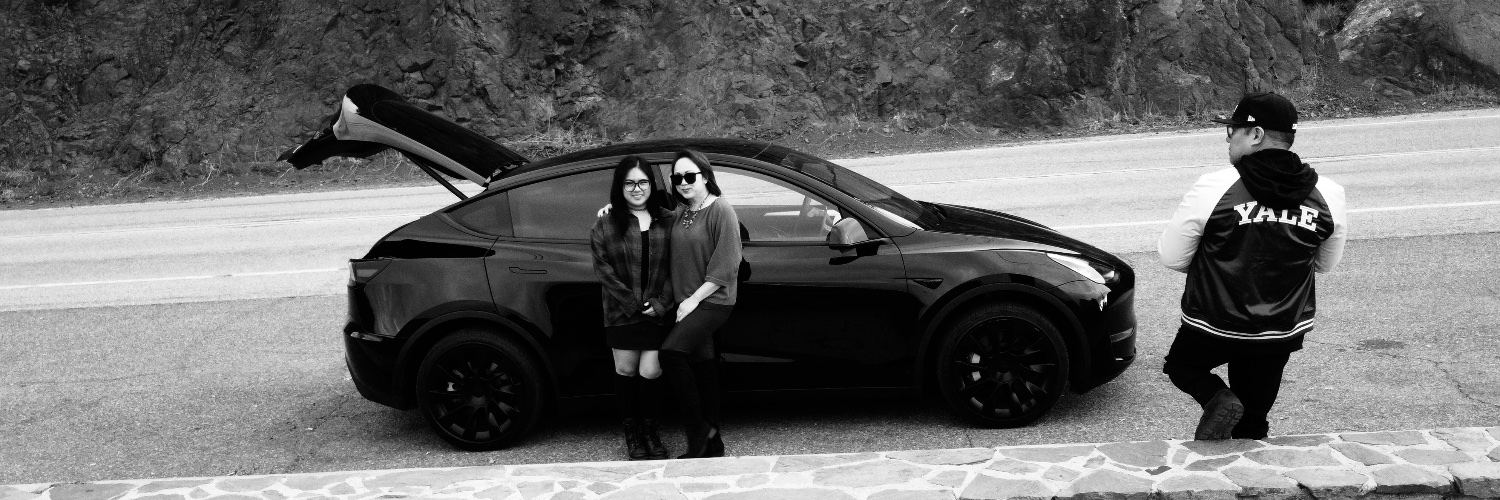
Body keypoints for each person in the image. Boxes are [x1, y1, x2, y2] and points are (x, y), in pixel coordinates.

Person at [1158, 91, 1348, 440]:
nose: (1228, 139)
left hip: (1213, 321)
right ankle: (1250, 460)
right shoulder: (1330, 193)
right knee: (1254, 417)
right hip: (1279, 328)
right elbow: (1324, 264)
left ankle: (1218, 397)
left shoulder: (1214, 187)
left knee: (1182, 365)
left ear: (1256, 134)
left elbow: (1173, 258)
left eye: (1233, 130)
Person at [589, 156, 674, 460]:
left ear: (651, 184)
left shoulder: (668, 220)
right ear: (620, 186)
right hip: (620, 311)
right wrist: (632, 304)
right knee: (625, 371)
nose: (636, 189)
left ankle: (651, 432)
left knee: (651, 371)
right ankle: (633, 436)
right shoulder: (606, 222)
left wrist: (661, 303)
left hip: (657, 313)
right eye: (629, 183)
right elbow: (603, 270)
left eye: (642, 182)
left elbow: (676, 268)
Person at [662, 149, 741, 458]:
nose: (683, 182)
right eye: (677, 178)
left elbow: (728, 264)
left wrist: (693, 300)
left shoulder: (721, 210)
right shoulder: (682, 211)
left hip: (712, 300)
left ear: (705, 176)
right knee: (704, 365)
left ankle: (698, 432)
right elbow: (651, 215)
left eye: (690, 176)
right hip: (689, 301)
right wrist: (615, 208)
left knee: (671, 354)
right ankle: (713, 442)